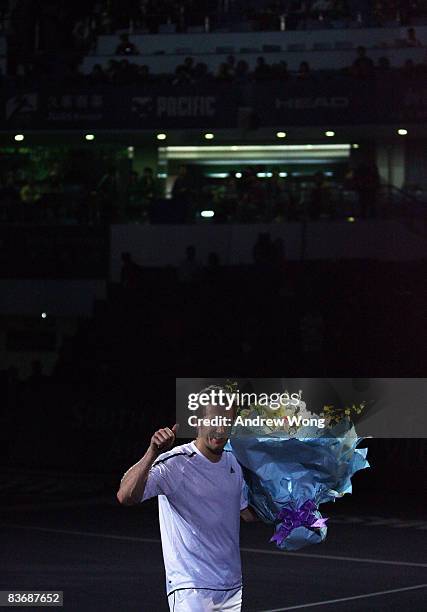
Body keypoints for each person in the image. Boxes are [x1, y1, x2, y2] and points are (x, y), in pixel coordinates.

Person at [116, 385, 258, 611]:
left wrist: (294, 512)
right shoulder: (176, 463)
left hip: (231, 587)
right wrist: (153, 452)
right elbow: (126, 496)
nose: (220, 429)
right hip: (190, 588)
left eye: (227, 422)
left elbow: (246, 513)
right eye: (214, 420)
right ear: (197, 421)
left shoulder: (234, 463)